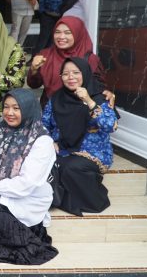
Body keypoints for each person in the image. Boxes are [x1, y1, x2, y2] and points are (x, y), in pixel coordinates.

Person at [0, 89, 59, 265]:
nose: (9, 113)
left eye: (16, 108)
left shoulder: (41, 140)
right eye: (6, 107)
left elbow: (27, 183)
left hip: (25, 196)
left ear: (28, 109)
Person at [42, 57, 117, 216]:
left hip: (93, 152)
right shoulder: (56, 98)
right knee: (47, 163)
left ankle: (92, 200)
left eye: (76, 73)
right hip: (62, 148)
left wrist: (89, 101)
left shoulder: (100, 97)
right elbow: (43, 125)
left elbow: (110, 126)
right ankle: (56, 199)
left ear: (85, 73)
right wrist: (49, 141)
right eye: (65, 73)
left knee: (69, 167)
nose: (71, 77)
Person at [28, 17, 108, 106]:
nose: (61, 37)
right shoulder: (45, 55)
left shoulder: (90, 59)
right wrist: (34, 69)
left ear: (78, 34)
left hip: (78, 112)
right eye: (57, 32)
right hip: (50, 111)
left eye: (68, 33)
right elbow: (34, 84)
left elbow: (100, 89)